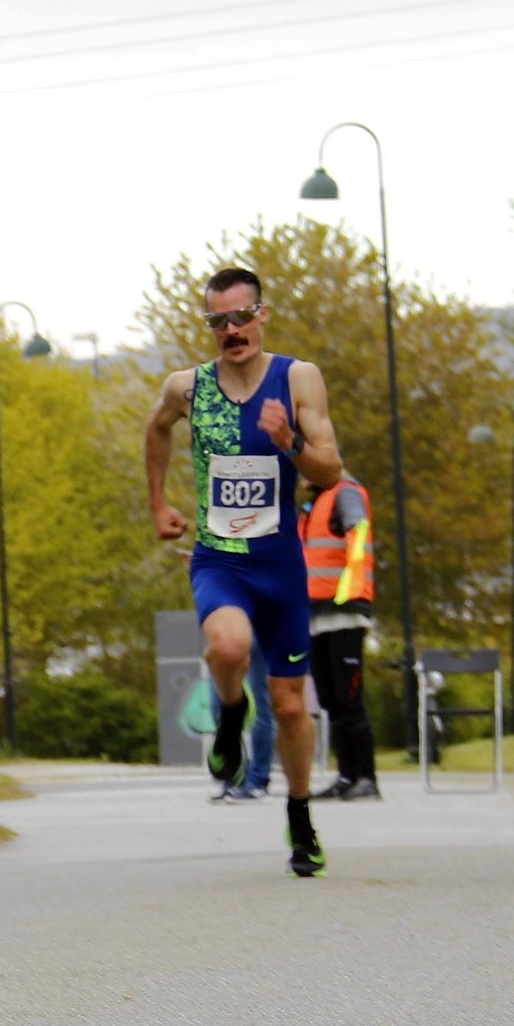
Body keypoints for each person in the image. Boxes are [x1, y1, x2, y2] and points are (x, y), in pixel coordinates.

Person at [144, 267, 343, 877]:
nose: (232, 331)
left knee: (288, 709)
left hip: (280, 565)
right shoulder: (188, 387)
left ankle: (301, 818)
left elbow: (331, 470)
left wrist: (288, 443)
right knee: (227, 646)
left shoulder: (297, 378)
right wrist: (158, 504)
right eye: (218, 321)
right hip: (219, 560)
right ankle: (231, 714)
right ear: (209, 326)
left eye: (241, 317)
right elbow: (155, 430)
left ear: (261, 315)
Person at [302, 473, 380, 801]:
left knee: (349, 699)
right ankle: (347, 776)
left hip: (343, 612)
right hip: (317, 615)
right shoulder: (315, 503)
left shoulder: (344, 493)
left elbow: (357, 534)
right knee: (332, 701)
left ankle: (366, 777)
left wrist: (350, 590)